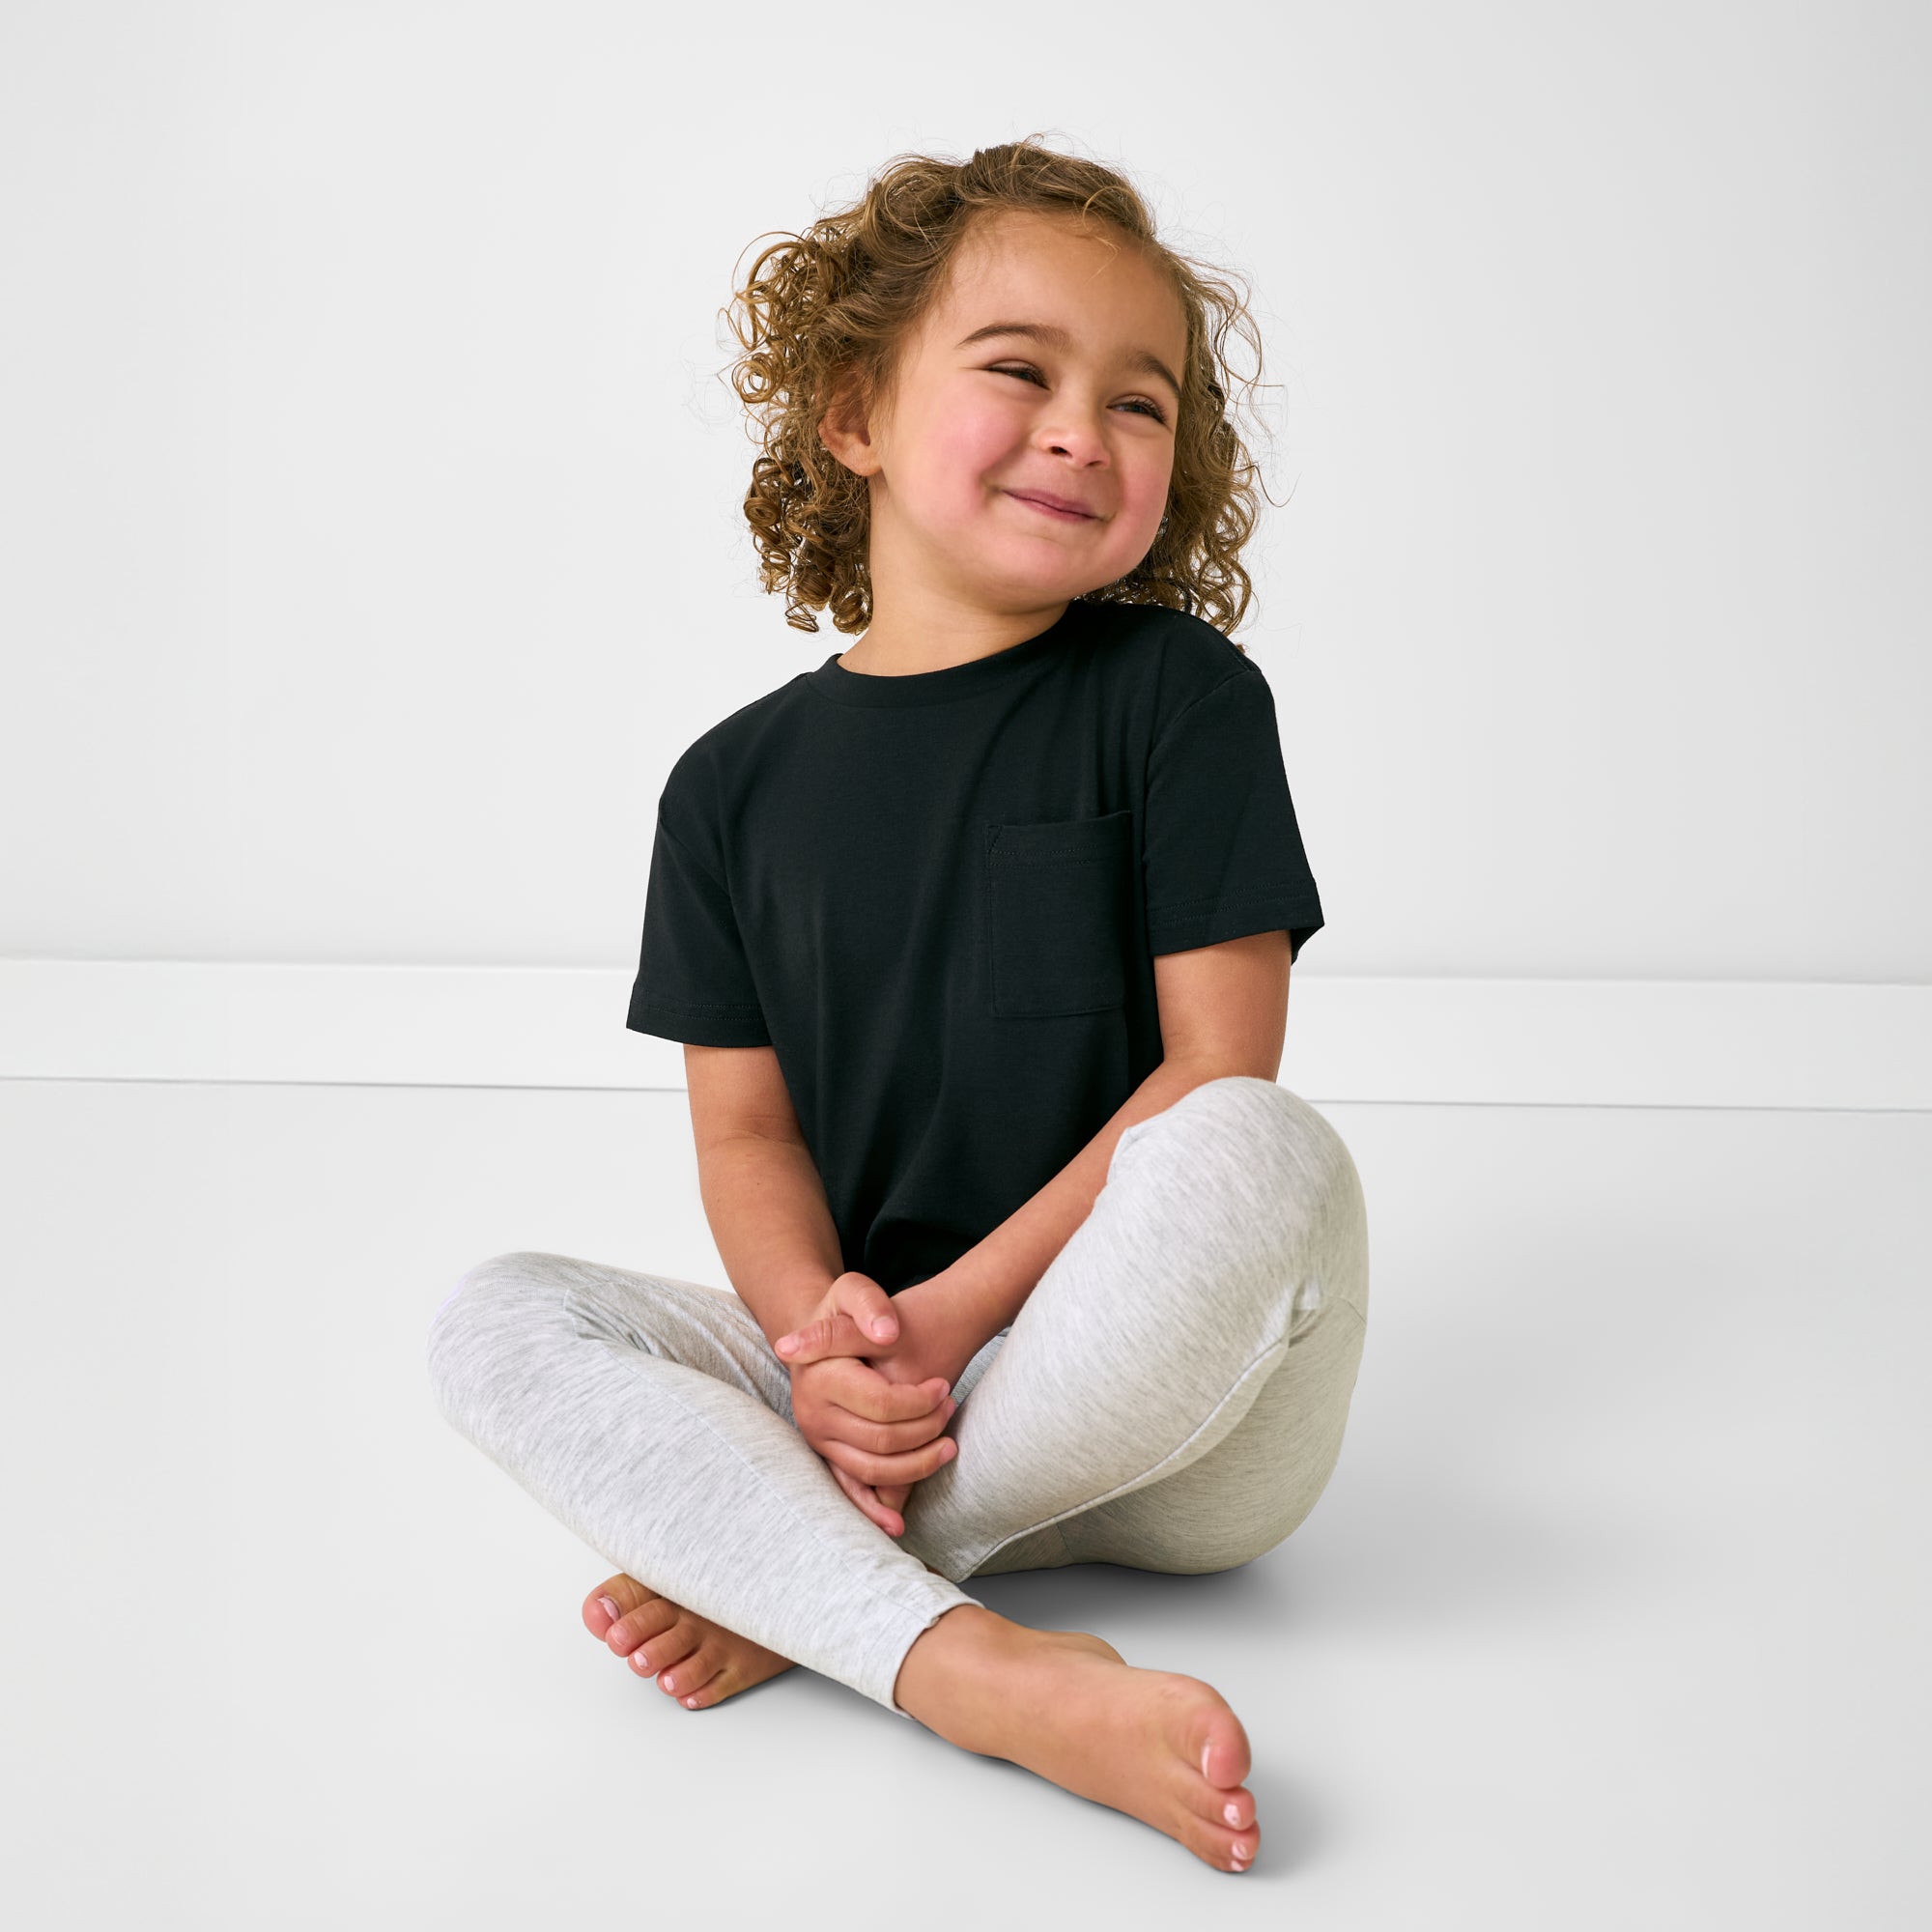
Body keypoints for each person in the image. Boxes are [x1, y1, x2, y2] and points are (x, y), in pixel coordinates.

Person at [426, 136, 1370, 1877]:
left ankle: (809, 1580)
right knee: (497, 1320)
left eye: (1141, 402)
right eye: (1021, 370)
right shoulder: (726, 791)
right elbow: (748, 1135)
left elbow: (1216, 1065)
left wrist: (940, 1332)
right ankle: (970, 1670)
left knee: (1261, 1147)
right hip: (882, 1395)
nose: (1084, 430)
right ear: (853, 411)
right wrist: (823, 1350)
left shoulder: (1181, 699)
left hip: (1160, 1401)